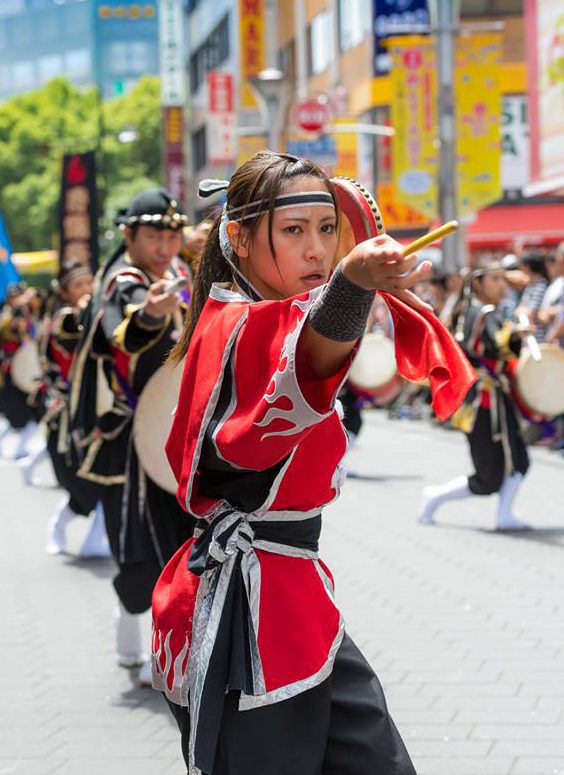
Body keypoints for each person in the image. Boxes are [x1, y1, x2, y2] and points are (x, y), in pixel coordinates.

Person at [151, 152, 475, 775]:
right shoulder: (236, 323)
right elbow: (304, 367)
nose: (317, 250)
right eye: (294, 231)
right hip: (246, 610)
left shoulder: (268, 316)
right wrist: (351, 287)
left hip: (290, 594)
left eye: (328, 230)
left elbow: (310, 342)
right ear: (240, 239)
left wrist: (352, 290)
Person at [70, 189, 195, 685]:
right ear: (128, 235)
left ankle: (180, 649)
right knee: (141, 548)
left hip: (175, 431)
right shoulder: (125, 281)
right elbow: (124, 329)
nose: (165, 245)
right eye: (153, 235)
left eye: (172, 235)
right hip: (132, 440)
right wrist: (148, 314)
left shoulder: (177, 274)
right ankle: (132, 640)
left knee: (187, 544)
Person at [420, 260, 530, 530]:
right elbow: (494, 347)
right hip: (483, 401)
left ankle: (505, 515)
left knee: (516, 458)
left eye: (501, 280)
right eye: (494, 280)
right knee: (491, 473)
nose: (500, 285)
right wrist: (517, 335)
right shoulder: (483, 313)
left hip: (487, 399)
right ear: (479, 283)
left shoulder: (469, 309)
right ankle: (435, 497)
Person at [32, 262, 110, 557]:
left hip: (92, 414)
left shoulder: (92, 316)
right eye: (79, 285)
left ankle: (95, 540)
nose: (86, 290)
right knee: (81, 486)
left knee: (103, 484)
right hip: (65, 419)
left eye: (90, 283)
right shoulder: (64, 320)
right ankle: (59, 526)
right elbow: (71, 329)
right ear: (65, 292)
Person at [0, 282, 42, 458]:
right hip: (8, 371)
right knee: (17, 412)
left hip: (22, 370)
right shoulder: (7, 317)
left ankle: (20, 447)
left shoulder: (25, 315)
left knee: (28, 413)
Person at [515, 251, 549, 341]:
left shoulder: (541, 285)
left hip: (539, 338)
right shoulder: (530, 285)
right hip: (529, 337)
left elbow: (531, 313)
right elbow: (519, 310)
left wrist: (522, 311)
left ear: (527, 267)